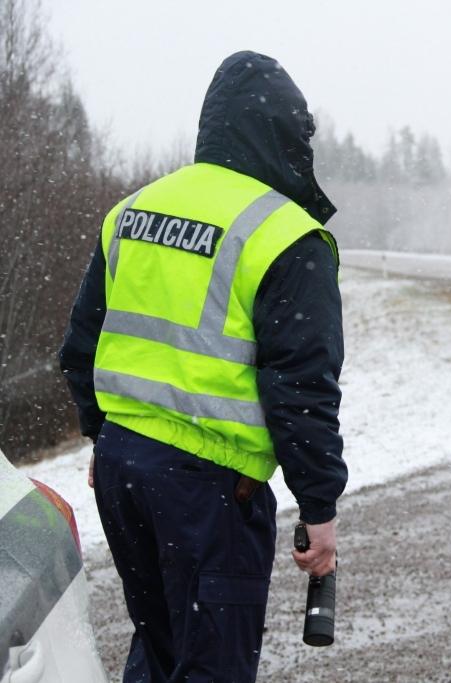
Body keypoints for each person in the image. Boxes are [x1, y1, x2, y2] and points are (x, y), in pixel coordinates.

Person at [59, 51, 347, 682]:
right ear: (285, 133)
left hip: (123, 470)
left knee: (159, 646)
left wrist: (102, 433)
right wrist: (318, 507)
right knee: (210, 666)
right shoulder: (286, 236)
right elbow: (301, 390)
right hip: (209, 490)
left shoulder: (133, 210)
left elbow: (81, 347)